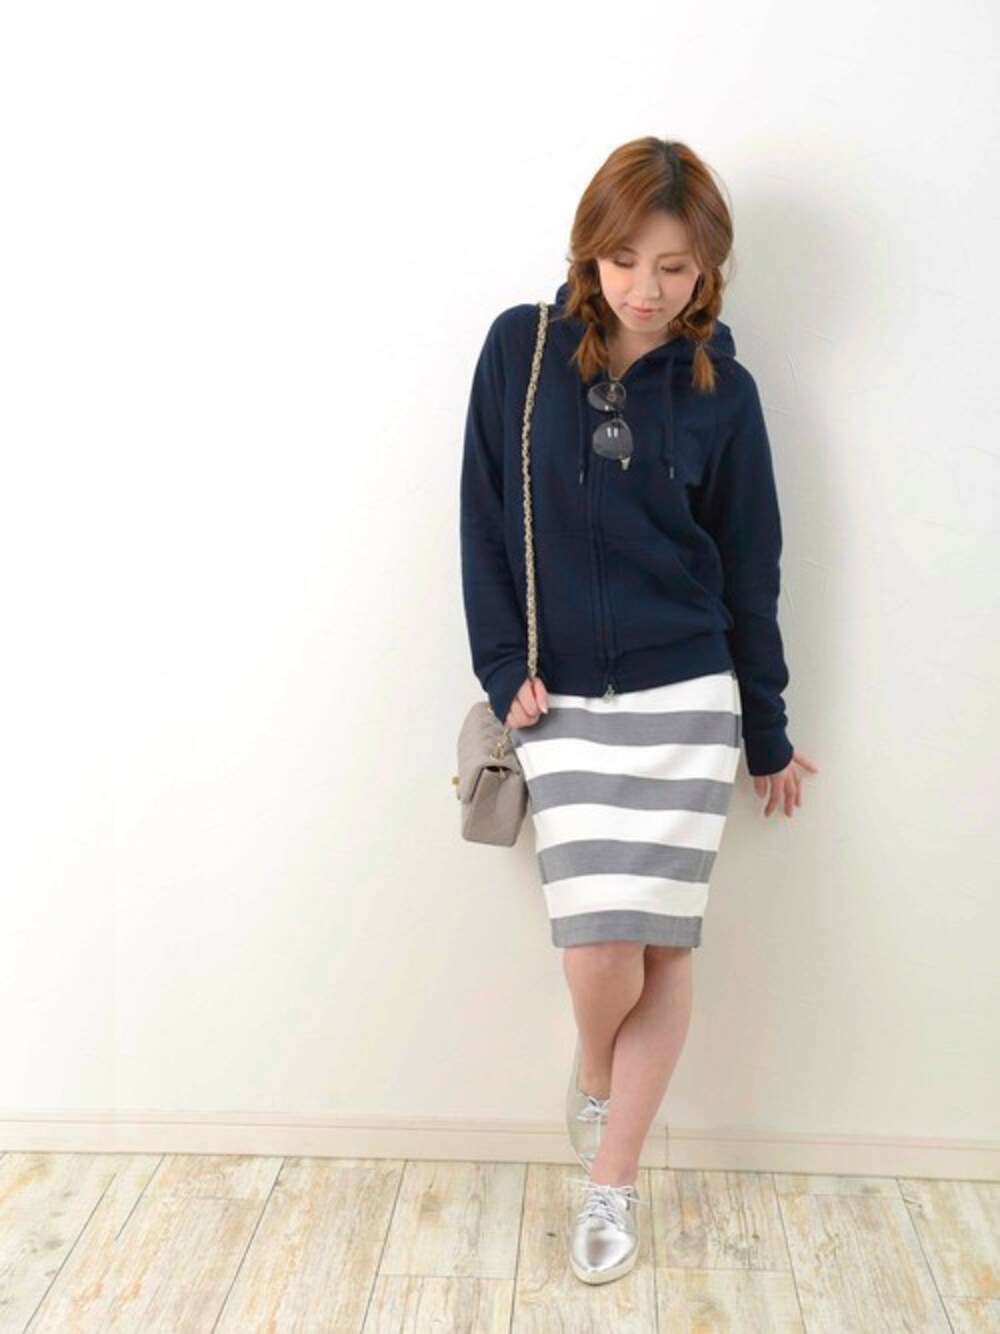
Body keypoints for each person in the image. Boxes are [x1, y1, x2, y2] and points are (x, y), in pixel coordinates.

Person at [459, 136, 819, 1285]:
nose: (645, 289)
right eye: (623, 260)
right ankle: (594, 1067)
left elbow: (750, 570)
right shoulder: (519, 352)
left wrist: (766, 728)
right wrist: (501, 662)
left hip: (687, 697)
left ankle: (610, 1178)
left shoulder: (725, 394)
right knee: (600, 952)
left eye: (671, 265)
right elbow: (481, 519)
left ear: (707, 264)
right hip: (560, 697)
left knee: (662, 947)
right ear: (589, 252)